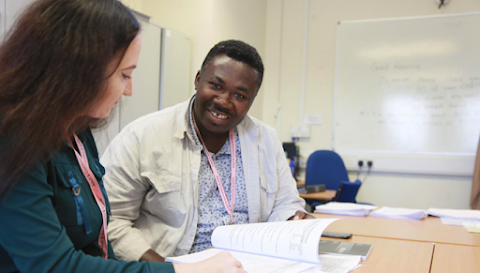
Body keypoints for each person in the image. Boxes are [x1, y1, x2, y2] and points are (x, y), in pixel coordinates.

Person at [0, 0, 245, 272]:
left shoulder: (76, 130)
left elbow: (99, 245)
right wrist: (185, 270)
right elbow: (55, 265)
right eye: (124, 74)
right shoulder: (12, 139)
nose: (128, 91)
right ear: (78, 70)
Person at [101, 39, 314, 263]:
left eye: (240, 95)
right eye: (216, 85)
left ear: (252, 101)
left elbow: (286, 203)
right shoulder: (142, 136)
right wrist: (166, 270)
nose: (224, 101)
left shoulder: (266, 140)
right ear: (198, 79)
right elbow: (111, 221)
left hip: (250, 265)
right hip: (172, 264)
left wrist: (294, 218)